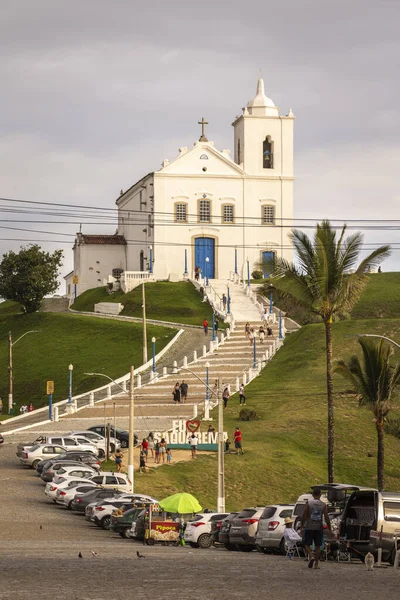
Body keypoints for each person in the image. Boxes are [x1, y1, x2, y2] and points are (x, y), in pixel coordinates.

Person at [301, 487, 333, 569]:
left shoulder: (308, 503)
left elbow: (304, 514)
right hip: (319, 527)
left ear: (312, 494)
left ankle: (311, 555)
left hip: (309, 526)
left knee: (306, 544)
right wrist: (330, 529)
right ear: (320, 495)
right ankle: (316, 564)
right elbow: (326, 517)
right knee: (318, 546)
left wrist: (302, 525)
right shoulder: (323, 505)